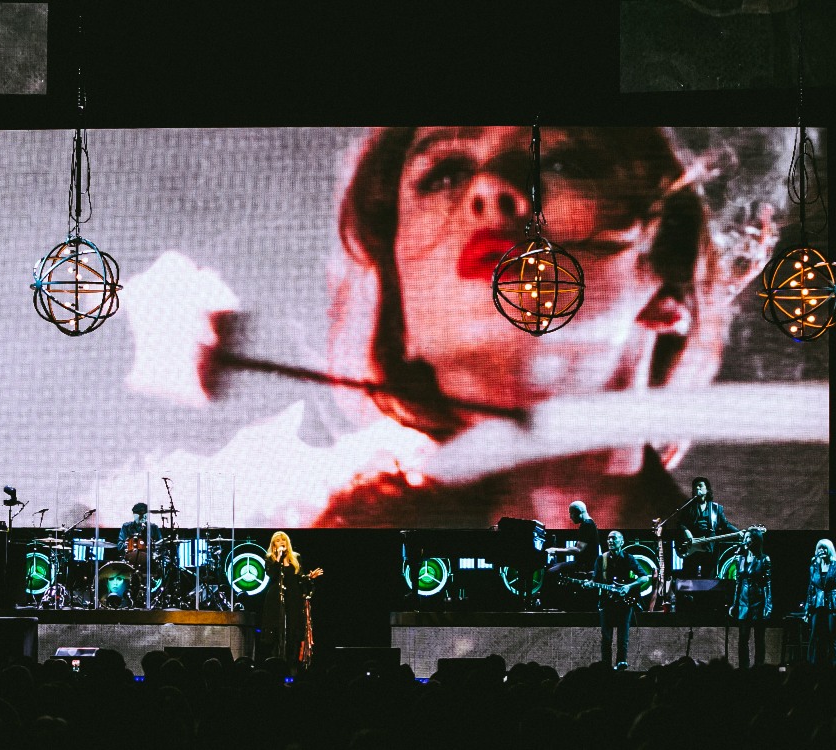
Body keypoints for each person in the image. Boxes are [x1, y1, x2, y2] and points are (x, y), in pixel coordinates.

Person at [316, 126, 777, 529]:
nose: (489, 186)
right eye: (445, 173)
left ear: (668, 291)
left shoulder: (731, 577)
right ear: (400, 308)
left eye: (562, 162)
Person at [260, 531, 323, 664]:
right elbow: (272, 574)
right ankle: (275, 662)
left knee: (293, 630)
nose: (281, 542)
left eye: (283, 539)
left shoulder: (296, 557)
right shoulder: (269, 558)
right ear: (273, 544)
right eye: (278, 540)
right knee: (276, 630)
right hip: (276, 598)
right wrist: (278, 557)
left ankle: (292, 663)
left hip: (293, 597)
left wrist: (309, 577)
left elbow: (299, 578)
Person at [592, 530, 651, 670]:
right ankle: (606, 666)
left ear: (622, 542)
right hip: (606, 602)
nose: (610, 541)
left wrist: (629, 586)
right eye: (608, 538)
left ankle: (621, 663)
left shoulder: (629, 558)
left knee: (623, 636)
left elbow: (644, 577)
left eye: (614, 538)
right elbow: (595, 580)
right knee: (606, 637)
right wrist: (590, 584)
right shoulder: (601, 559)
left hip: (625, 602)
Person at [675, 476, 739, 578]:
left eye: (700, 486)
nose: (697, 488)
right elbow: (680, 523)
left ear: (707, 489)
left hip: (709, 549)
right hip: (692, 548)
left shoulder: (716, 508)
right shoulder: (688, 506)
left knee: (708, 579)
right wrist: (686, 532)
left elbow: (725, 525)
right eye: (695, 487)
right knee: (689, 579)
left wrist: (738, 532)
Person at [728, 527, 773, 668]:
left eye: (749, 538)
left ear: (756, 540)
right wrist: (734, 604)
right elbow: (738, 583)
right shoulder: (741, 559)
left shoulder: (764, 559)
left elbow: (768, 584)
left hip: (758, 601)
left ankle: (759, 667)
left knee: (759, 638)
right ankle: (744, 668)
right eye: (745, 537)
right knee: (743, 638)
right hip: (743, 602)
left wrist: (768, 606)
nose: (746, 540)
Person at [802, 538, 836, 666]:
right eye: (819, 548)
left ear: (830, 550)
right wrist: (807, 610)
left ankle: (834, 665)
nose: (821, 550)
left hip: (833, 605)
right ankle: (812, 664)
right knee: (814, 636)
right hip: (817, 605)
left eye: (824, 548)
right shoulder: (814, 567)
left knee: (833, 637)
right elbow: (811, 589)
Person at [545, 500, 600, 577]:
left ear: (579, 512)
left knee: (550, 571)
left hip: (585, 565)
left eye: (571, 513)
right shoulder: (588, 523)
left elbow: (578, 550)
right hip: (583, 563)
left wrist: (555, 550)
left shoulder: (587, 525)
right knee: (553, 566)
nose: (570, 517)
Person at [118, 502, 160, 568]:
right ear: (134, 515)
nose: (143, 517)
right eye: (140, 514)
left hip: (149, 561)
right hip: (130, 560)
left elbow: (160, 544)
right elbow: (120, 545)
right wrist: (128, 545)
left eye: (145, 514)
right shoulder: (126, 527)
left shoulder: (153, 527)